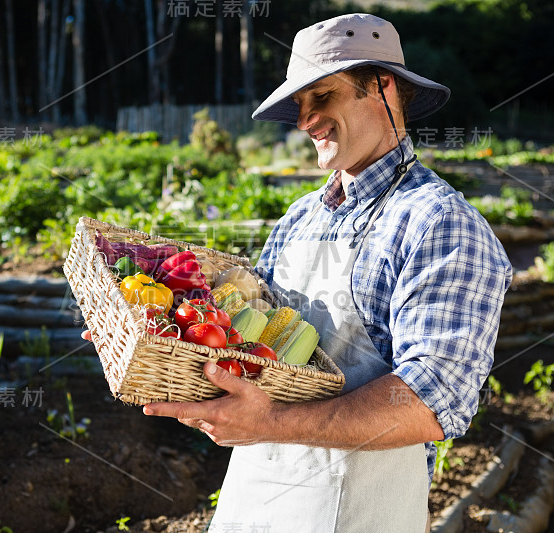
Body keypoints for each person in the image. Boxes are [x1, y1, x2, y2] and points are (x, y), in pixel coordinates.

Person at [141, 13, 513, 532]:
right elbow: (245, 346)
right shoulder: (301, 216)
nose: (305, 121)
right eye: (300, 106)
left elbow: (431, 400)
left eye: (321, 97)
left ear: (382, 87)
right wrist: (153, 335)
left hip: (360, 505)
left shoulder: (439, 224)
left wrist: (273, 422)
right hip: (258, 491)